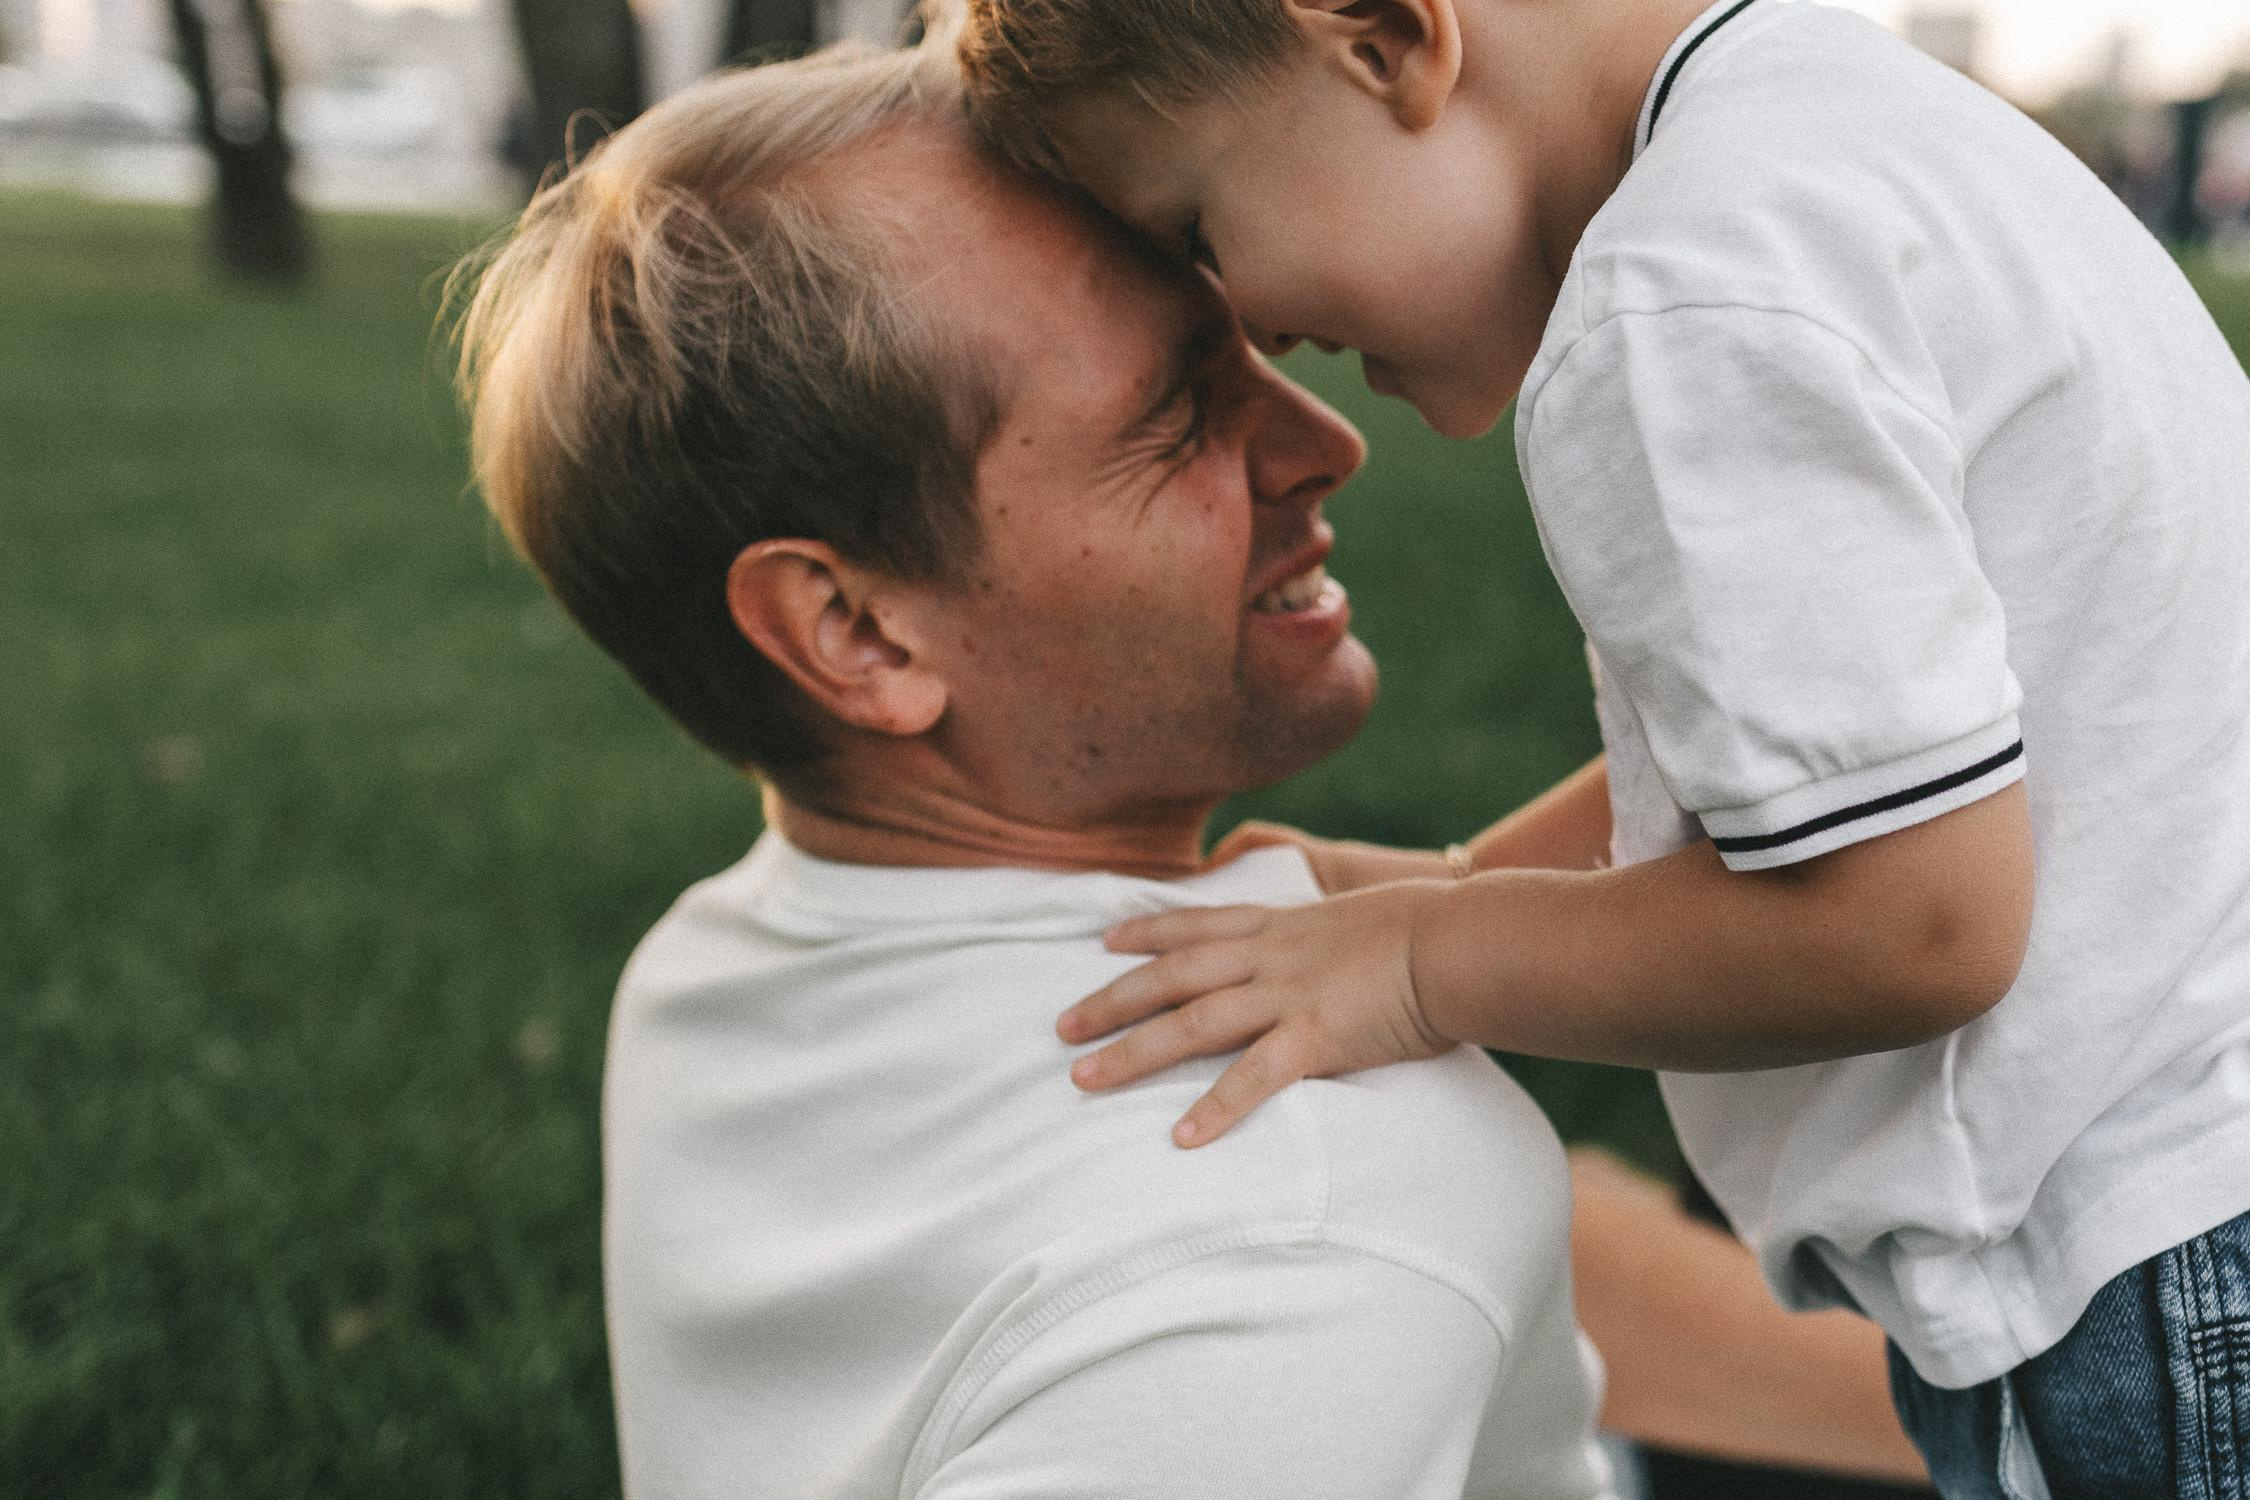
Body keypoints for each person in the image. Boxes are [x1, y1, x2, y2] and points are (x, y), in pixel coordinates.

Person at [451, 21, 1939, 1498]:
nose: (1324, 443)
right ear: (855, 631)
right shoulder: (1312, 1217)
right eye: (1175, 418)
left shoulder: (714, 971)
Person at [954, 0, 2250, 1491]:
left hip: (2135, 1266)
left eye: (1199, 227)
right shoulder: (1843, 126)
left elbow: (1913, 924)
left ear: (1381, 40)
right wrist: (1451, 882)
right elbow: (1848, 767)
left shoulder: (1679, 299)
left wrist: (1417, 964)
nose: (1251, 325)